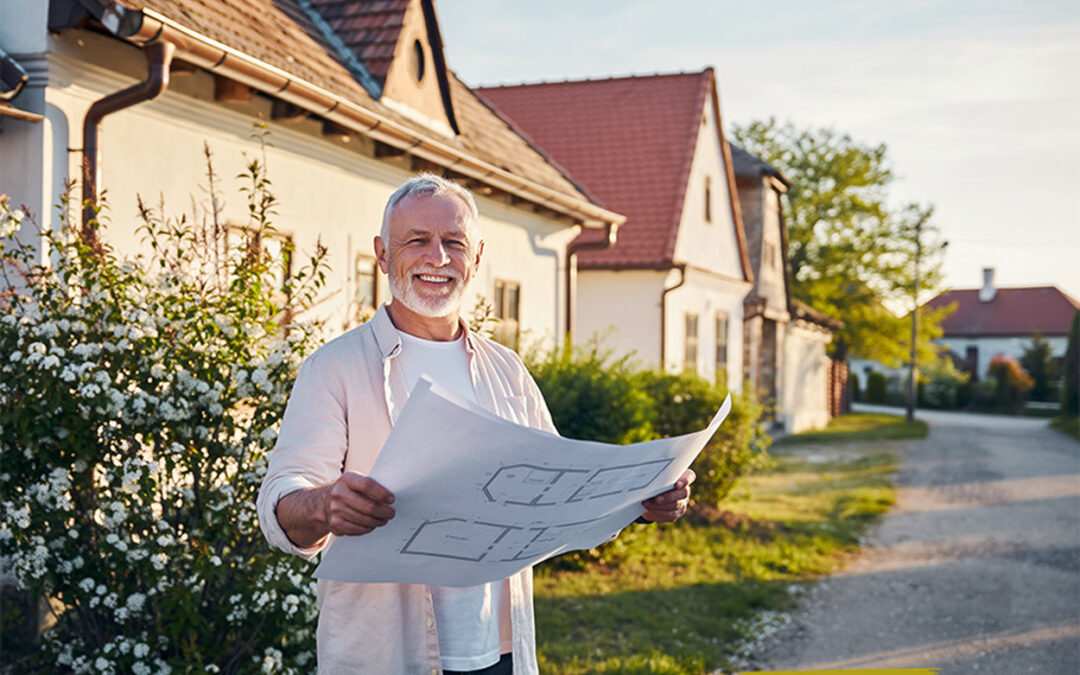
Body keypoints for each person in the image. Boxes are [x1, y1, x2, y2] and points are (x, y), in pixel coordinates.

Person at [257, 174, 695, 674]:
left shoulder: (506, 370)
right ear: (382, 254)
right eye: (417, 240)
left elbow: (558, 498)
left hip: (499, 650)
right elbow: (282, 499)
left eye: (454, 243)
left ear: (477, 257)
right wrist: (325, 504)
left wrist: (643, 499)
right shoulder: (334, 367)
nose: (438, 258)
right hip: (388, 653)